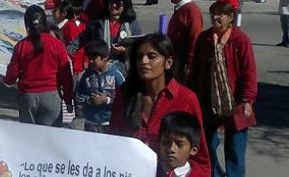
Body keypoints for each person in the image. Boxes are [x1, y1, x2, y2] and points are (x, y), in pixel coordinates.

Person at [109, 34, 211, 177]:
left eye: (151, 56)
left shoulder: (186, 99)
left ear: (168, 62)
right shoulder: (124, 95)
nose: (143, 62)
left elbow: (201, 160)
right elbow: (113, 143)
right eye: (139, 57)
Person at [188, 2, 257, 177]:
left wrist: (247, 100)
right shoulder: (204, 39)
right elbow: (195, 70)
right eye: (213, 14)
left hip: (235, 101)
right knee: (206, 144)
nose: (216, 18)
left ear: (230, 17)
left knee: (235, 147)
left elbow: (249, 72)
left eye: (220, 14)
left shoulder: (240, 40)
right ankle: (216, 174)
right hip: (208, 100)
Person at [4, 5, 74, 126]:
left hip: (28, 97)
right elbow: (66, 75)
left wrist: (7, 79)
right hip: (51, 96)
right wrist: (68, 100)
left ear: (27, 25)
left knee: (29, 138)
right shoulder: (56, 44)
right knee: (49, 138)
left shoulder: (22, 46)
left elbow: (12, 75)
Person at [70, 0, 141, 63]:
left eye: (118, 4)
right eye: (111, 2)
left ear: (126, 6)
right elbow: (81, 38)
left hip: (125, 65)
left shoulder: (132, 23)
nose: (113, 5)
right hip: (101, 65)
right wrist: (67, 52)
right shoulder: (98, 22)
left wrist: (124, 50)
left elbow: (139, 45)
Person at [75, 40, 124, 133]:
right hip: (91, 123)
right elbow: (79, 96)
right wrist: (89, 100)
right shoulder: (86, 76)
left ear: (105, 58)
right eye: (89, 58)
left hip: (110, 123)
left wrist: (107, 100)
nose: (91, 61)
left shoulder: (117, 75)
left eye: (94, 58)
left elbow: (124, 98)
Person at [167, 0, 204, 82]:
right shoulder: (181, 9)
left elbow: (195, 37)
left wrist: (190, 64)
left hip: (184, 62)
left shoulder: (191, 10)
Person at [158, 112, 202, 177]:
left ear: (193, 150)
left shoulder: (200, 175)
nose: (171, 149)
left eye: (179, 144)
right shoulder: (146, 171)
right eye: (166, 142)